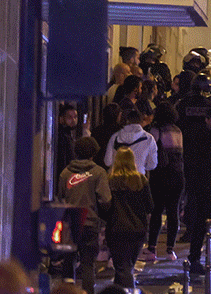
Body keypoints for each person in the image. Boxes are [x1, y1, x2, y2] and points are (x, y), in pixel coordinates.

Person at [177, 75, 211, 280]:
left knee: (199, 219)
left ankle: (199, 255)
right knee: (209, 221)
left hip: (190, 168)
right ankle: (208, 257)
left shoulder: (183, 105)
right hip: (206, 177)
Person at [57, 136, 111, 294]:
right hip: (89, 222)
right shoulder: (98, 173)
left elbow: (60, 197)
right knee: (88, 265)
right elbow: (105, 199)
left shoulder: (65, 173)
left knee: (68, 263)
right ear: (93, 153)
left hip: (69, 224)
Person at [107, 148, 153, 289]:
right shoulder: (141, 180)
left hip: (116, 228)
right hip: (138, 228)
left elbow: (105, 205)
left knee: (122, 267)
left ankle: (126, 290)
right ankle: (121, 289)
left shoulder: (110, 181)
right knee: (128, 266)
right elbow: (150, 206)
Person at [145, 102, 184, 262]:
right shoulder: (178, 131)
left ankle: (152, 248)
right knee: (173, 212)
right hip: (178, 175)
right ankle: (170, 250)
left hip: (160, 175)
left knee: (157, 212)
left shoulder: (155, 130)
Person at [103, 107, 158, 175]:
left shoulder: (115, 137)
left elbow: (107, 162)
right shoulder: (149, 138)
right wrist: (141, 166)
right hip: (138, 178)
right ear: (140, 120)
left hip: (117, 178)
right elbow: (152, 164)